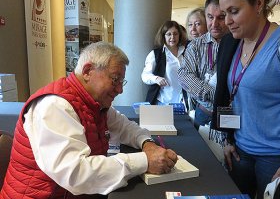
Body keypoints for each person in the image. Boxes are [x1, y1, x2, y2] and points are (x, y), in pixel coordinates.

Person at [0, 42, 178, 198]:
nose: (119, 90)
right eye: (115, 80)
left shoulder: (93, 102)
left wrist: (148, 144)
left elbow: (125, 127)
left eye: (121, 82)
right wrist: (145, 161)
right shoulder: (54, 106)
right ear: (87, 72)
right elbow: (77, 174)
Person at [212, 0, 280, 199]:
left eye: (234, 11)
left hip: (276, 158)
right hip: (240, 152)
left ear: (259, 4)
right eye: (224, 14)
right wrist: (228, 139)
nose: (227, 21)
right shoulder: (234, 43)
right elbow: (231, 97)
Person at [178, 0, 229, 130]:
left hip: (232, 116)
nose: (214, 24)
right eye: (210, 17)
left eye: (221, 18)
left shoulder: (239, 43)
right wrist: (217, 95)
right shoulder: (196, 45)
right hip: (204, 113)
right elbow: (184, 76)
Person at [141, 20, 186, 106]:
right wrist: (156, 79)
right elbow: (145, 76)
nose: (172, 37)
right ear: (163, 36)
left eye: (175, 34)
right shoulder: (156, 54)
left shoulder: (185, 52)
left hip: (183, 102)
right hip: (163, 102)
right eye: (169, 34)